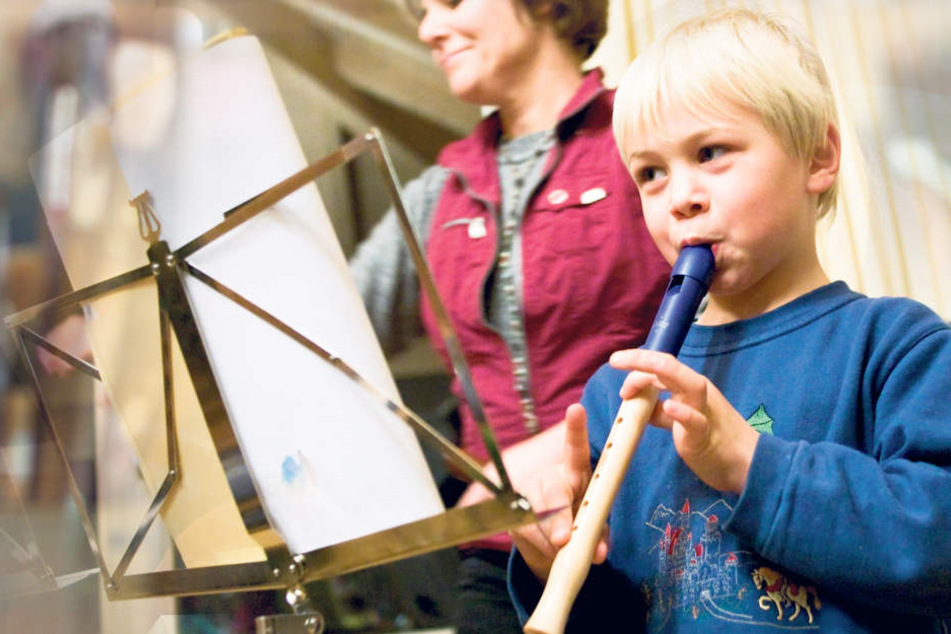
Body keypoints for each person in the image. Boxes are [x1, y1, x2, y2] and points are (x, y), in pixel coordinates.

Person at [508, 8, 951, 632]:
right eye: (651, 173)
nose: (680, 197)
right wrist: (555, 566)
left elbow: (938, 545)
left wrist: (750, 463)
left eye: (710, 152)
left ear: (818, 157)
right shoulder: (619, 394)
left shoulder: (897, 348)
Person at [349, 0, 671, 631]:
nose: (428, 29)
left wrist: (534, 458)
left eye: (449, 3)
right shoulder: (437, 189)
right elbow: (324, 335)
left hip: (652, 535)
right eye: (421, 11)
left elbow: (727, 342)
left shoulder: (643, 143)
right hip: (503, 560)